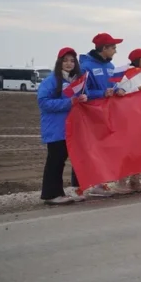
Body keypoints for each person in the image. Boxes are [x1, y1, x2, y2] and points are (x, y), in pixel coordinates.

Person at [37, 47, 86, 204]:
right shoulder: (51, 81)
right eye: (65, 60)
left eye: (72, 61)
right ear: (59, 62)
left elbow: (85, 93)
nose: (69, 64)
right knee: (55, 160)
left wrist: (85, 97)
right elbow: (43, 102)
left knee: (63, 159)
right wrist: (68, 103)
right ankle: (51, 194)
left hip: (71, 127)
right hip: (56, 128)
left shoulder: (77, 80)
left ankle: (60, 192)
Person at [77, 32, 124, 197]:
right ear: (104, 48)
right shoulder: (85, 67)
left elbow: (115, 84)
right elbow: (82, 92)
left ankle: (100, 181)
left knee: (105, 147)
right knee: (92, 148)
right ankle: (90, 183)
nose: (115, 51)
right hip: (91, 113)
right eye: (113, 48)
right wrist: (102, 93)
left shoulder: (111, 67)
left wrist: (118, 90)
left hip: (107, 112)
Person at [113, 47, 141, 192]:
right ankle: (121, 181)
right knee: (128, 150)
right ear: (137, 59)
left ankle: (135, 179)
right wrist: (138, 90)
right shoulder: (128, 75)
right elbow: (120, 93)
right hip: (130, 118)